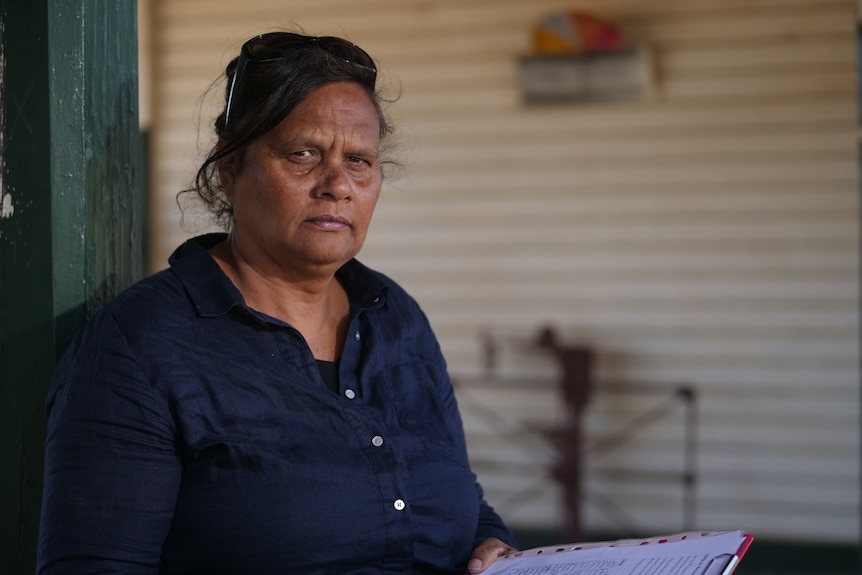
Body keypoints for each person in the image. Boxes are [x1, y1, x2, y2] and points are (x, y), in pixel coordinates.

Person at [36, 31, 518, 574]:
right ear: (229, 168)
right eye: (303, 154)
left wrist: (491, 545)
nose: (338, 184)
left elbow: (462, 503)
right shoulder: (142, 344)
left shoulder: (394, 317)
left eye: (359, 160)